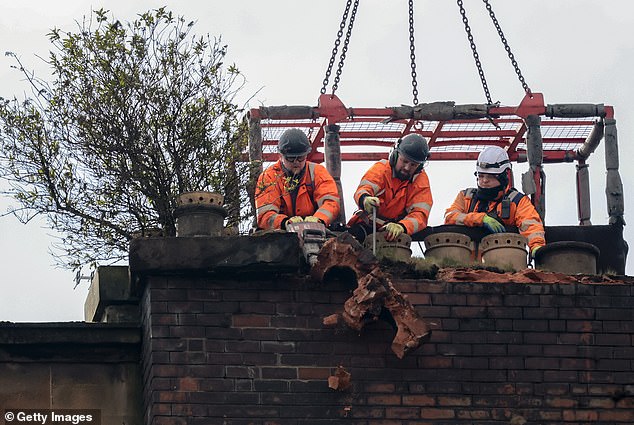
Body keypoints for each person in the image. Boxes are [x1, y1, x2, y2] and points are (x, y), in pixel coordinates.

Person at [444, 145, 546, 256]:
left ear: (503, 176)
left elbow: (531, 225)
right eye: (481, 176)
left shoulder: (517, 201)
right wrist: (480, 219)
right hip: (465, 268)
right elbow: (450, 217)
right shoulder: (465, 196)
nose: (484, 181)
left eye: (490, 177)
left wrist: (537, 247)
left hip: (502, 266)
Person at [347, 133, 433, 242]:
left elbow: (420, 214)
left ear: (419, 167)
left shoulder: (420, 179)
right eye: (404, 161)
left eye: (413, 165)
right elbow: (364, 189)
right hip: (365, 227)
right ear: (395, 156)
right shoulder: (381, 169)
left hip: (394, 233)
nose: (407, 168)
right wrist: (365, 199)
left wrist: (402, 226)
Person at [255, 128, 341, 231]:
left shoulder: (318, 171)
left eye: (301, 158)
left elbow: (331, 203)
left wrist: (318, 220)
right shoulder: (269, 176)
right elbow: (265, 214)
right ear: (280, 156)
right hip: (280, 233)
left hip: (315, 229)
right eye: (291, 159)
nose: (296, 162)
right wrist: (285, 223)